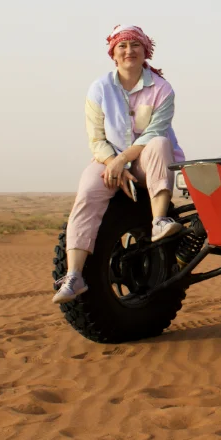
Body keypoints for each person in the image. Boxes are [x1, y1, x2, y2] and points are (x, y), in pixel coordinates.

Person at [53, 24, 187, 304]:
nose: (129, 51)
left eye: (135, 45)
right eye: (122, 46)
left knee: (160, 144)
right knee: (88, 191)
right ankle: (74, 275)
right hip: (108, 160)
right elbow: (96, 138)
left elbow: (155, 132)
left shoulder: (162, 89)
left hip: (146, 161)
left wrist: (123, 163)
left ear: (145, 51)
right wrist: (114, 163)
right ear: (113, 54)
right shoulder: (100, 88)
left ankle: (159, 219)